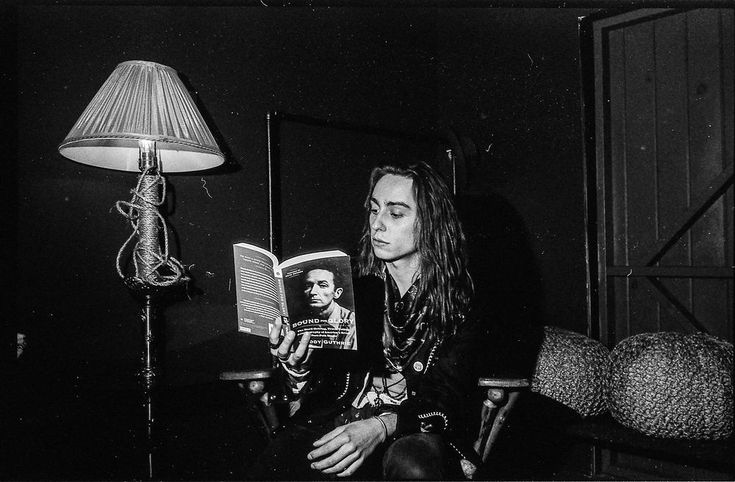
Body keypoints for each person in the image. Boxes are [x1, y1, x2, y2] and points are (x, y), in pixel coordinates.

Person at [248, 162, 498, 480]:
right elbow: (324, 384)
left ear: (432, 222)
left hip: (413, 426)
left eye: (395, 214)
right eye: (374, 209)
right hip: (340, 414)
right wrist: (297, 367)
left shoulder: (462, 301)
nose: (376, 225)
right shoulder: (354, 285)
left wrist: (381, 425)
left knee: (413, 464)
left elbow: (447, 400)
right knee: (274, 465)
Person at [299, 266, 356, 350]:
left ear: (337, 293)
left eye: (323, 285)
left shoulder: (352, 322)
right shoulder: (299, 319)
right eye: (308, 285)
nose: (312, 292)